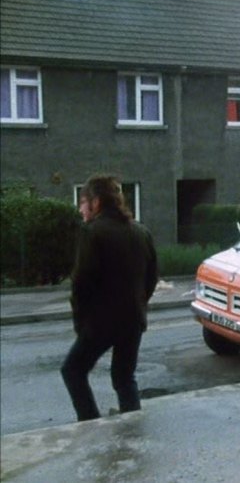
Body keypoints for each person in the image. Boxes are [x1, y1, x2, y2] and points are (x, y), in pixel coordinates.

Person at [61, 175, 158, 421]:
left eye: (83, 202)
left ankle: (91, 423)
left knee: (72, 370)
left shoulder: (92, 232)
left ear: (96, 202)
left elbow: (81, 283)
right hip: (133, 320)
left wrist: (81, 324)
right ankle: (132, 428)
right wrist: (139, 304)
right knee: (124, 378)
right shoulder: (141, 231)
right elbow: (152, 277)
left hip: (100, 323)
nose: (81, 209)